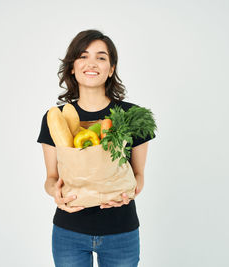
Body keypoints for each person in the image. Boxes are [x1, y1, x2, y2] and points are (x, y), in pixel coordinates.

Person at [37, 29, 155, 267]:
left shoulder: (133, 116)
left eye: (101, 57)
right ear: (72, 66)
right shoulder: (56, 118)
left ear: (111, 68)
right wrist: (55, 193)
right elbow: (51, 178)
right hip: (69, 230)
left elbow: (139, 176)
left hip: (121, 230)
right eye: (83, 56)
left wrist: (127, 194)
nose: (92, 63)